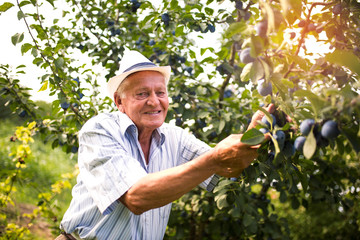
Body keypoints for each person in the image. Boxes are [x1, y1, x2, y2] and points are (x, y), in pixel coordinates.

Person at [57, 50, 274, 240]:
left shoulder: (175, 138)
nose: (154, 101)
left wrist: (254, 137)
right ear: (119, 102)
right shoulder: (100, 129)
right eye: (142, 93)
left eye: (160, 92)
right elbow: (135, 197)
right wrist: (215, 159)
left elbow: (226, 169)